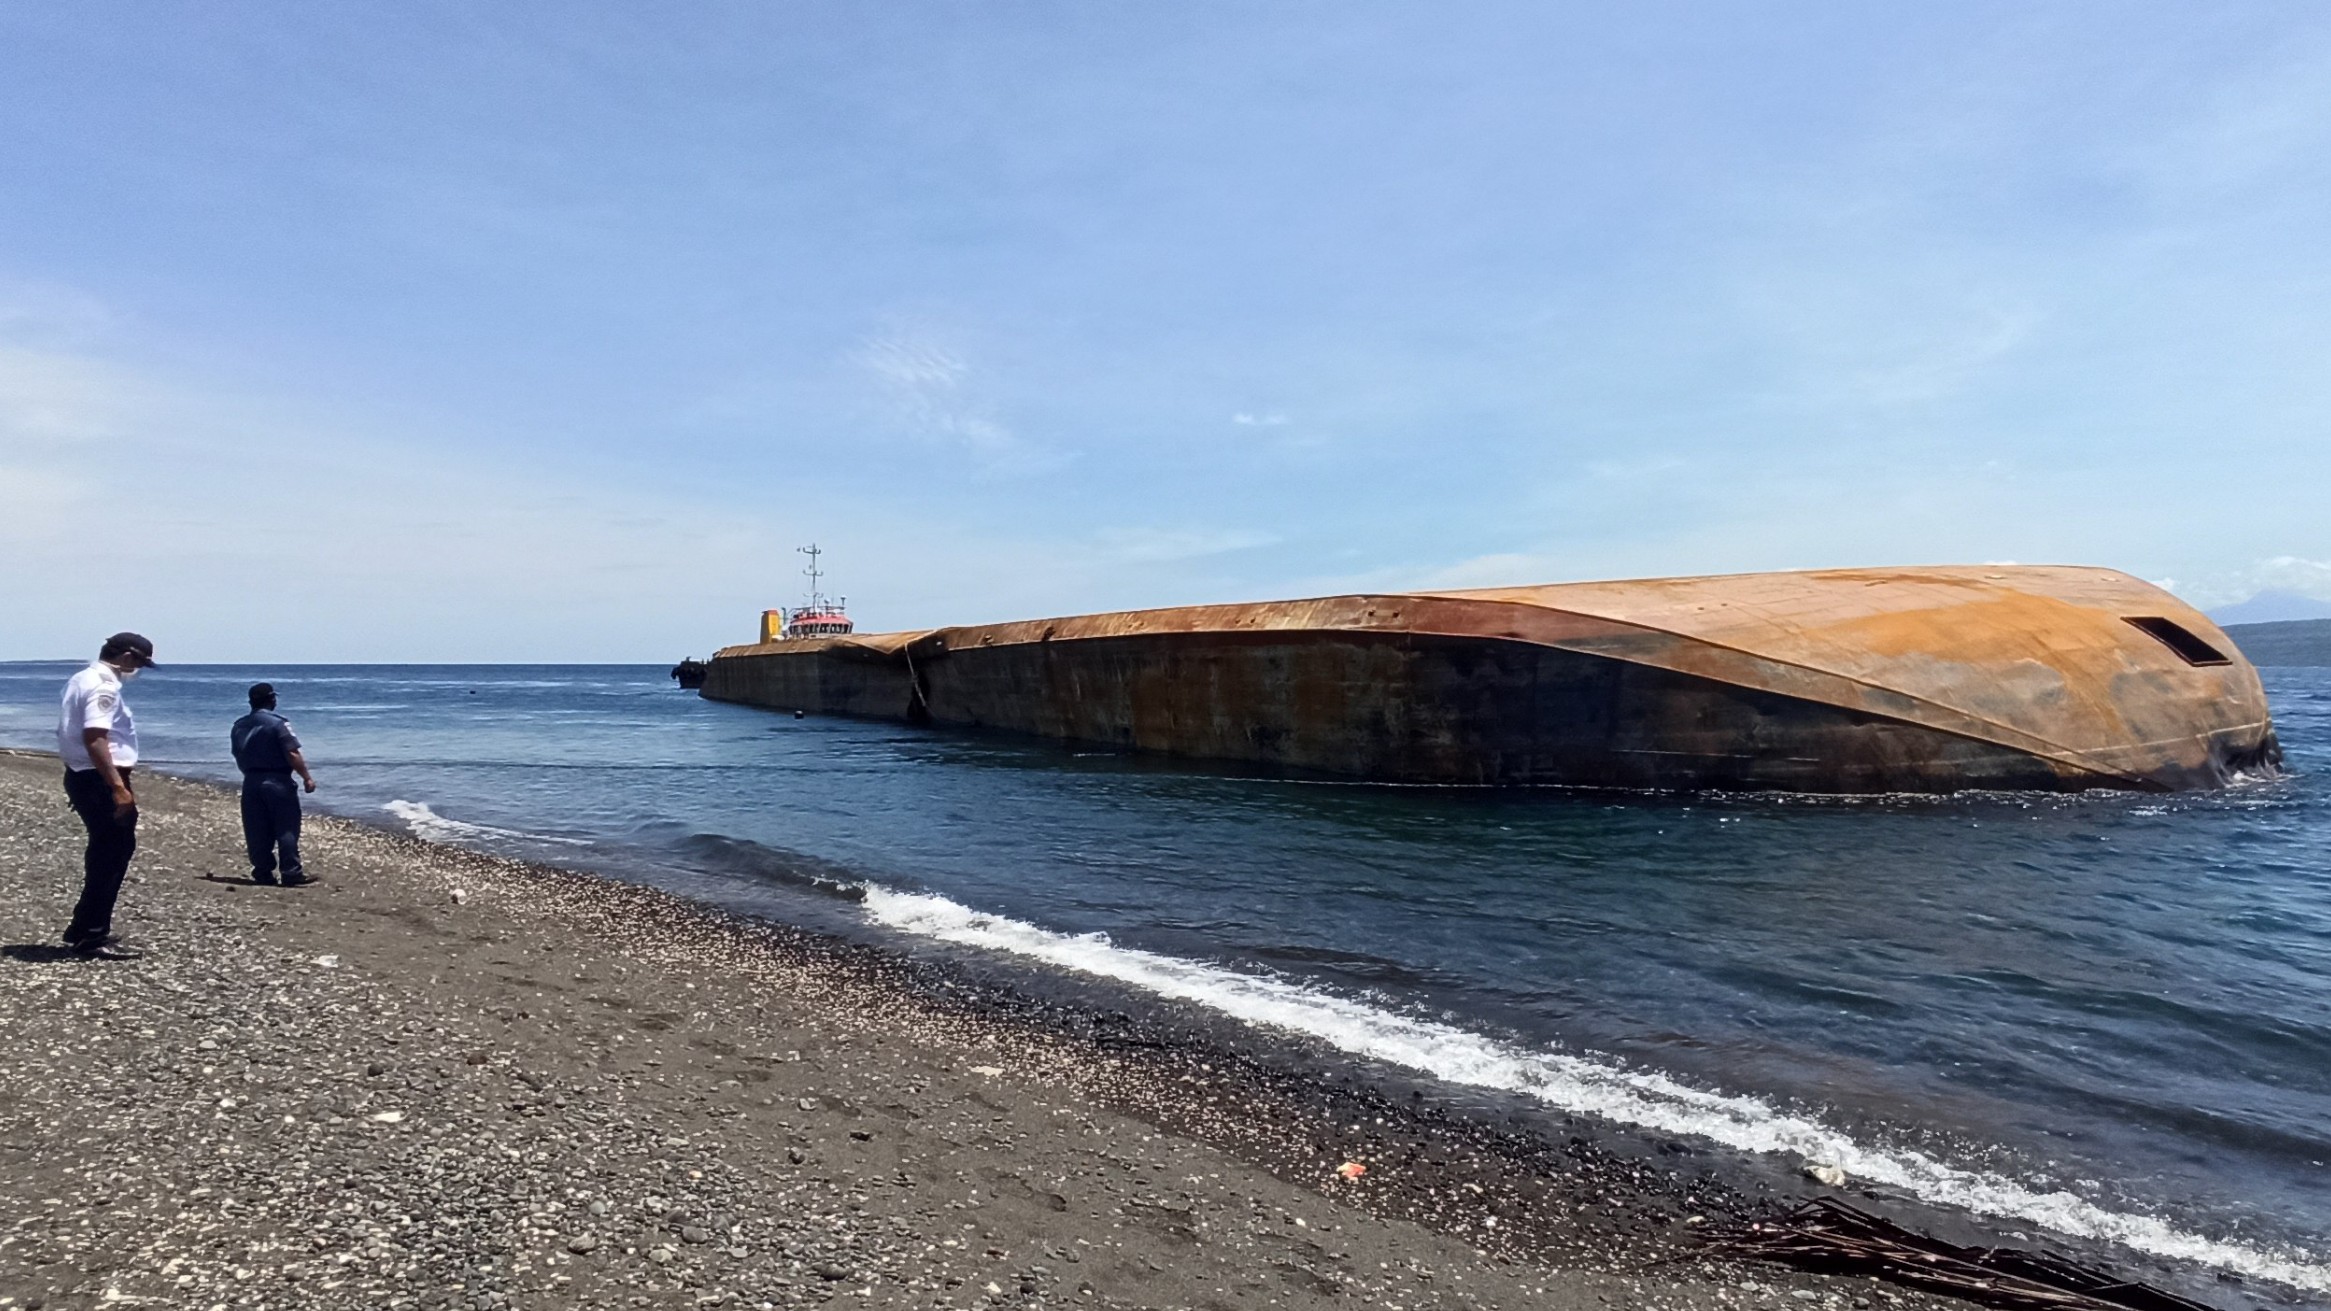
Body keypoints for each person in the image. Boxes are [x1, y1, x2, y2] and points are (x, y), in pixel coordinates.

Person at [57, 632, 156, 958]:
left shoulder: (81, 678)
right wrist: (117, 787)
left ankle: (84, 926)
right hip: (100, 777)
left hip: (83, 775)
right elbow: (95, 738)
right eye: (140, 662)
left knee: (105, 851)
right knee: (112, 853)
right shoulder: (104, 685)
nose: (138, 670)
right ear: (127, 657)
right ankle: (92, 934)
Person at [230, 683, 317, 886]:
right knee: (286, 827)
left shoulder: (239, 725)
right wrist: (306, 777)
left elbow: (237, 752)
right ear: (271, 700)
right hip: (277, 780)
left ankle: (262, 872)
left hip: (250, 780)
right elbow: (292, 752)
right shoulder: (278, 723)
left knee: (256, 829)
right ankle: (291, 872)